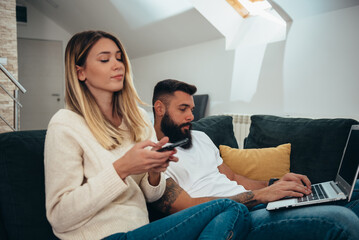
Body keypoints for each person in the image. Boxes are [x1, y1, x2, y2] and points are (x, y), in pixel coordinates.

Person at [44, 31, 251, 240]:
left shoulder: (138, 119)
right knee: (230, 207)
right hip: (100, 237)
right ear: (80, 73)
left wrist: (155, 172)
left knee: (234, 212)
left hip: (141, 231)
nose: (117, 65)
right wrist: (122, 168)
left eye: (119, 58)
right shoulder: (65, 124)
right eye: (105, 59)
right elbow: (60, 216)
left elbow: (152, 194)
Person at [151, 79, 359, 240]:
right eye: (182, 109)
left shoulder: (200, 137)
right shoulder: (151, 157)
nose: (191, 116)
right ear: (160, 108)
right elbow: (187, 208)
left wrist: (275, 184)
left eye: (192, 109)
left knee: (353, 190)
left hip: (256, 201)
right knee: (343, 221)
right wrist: (260, 195)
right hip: (237, 218)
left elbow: (234, 177)